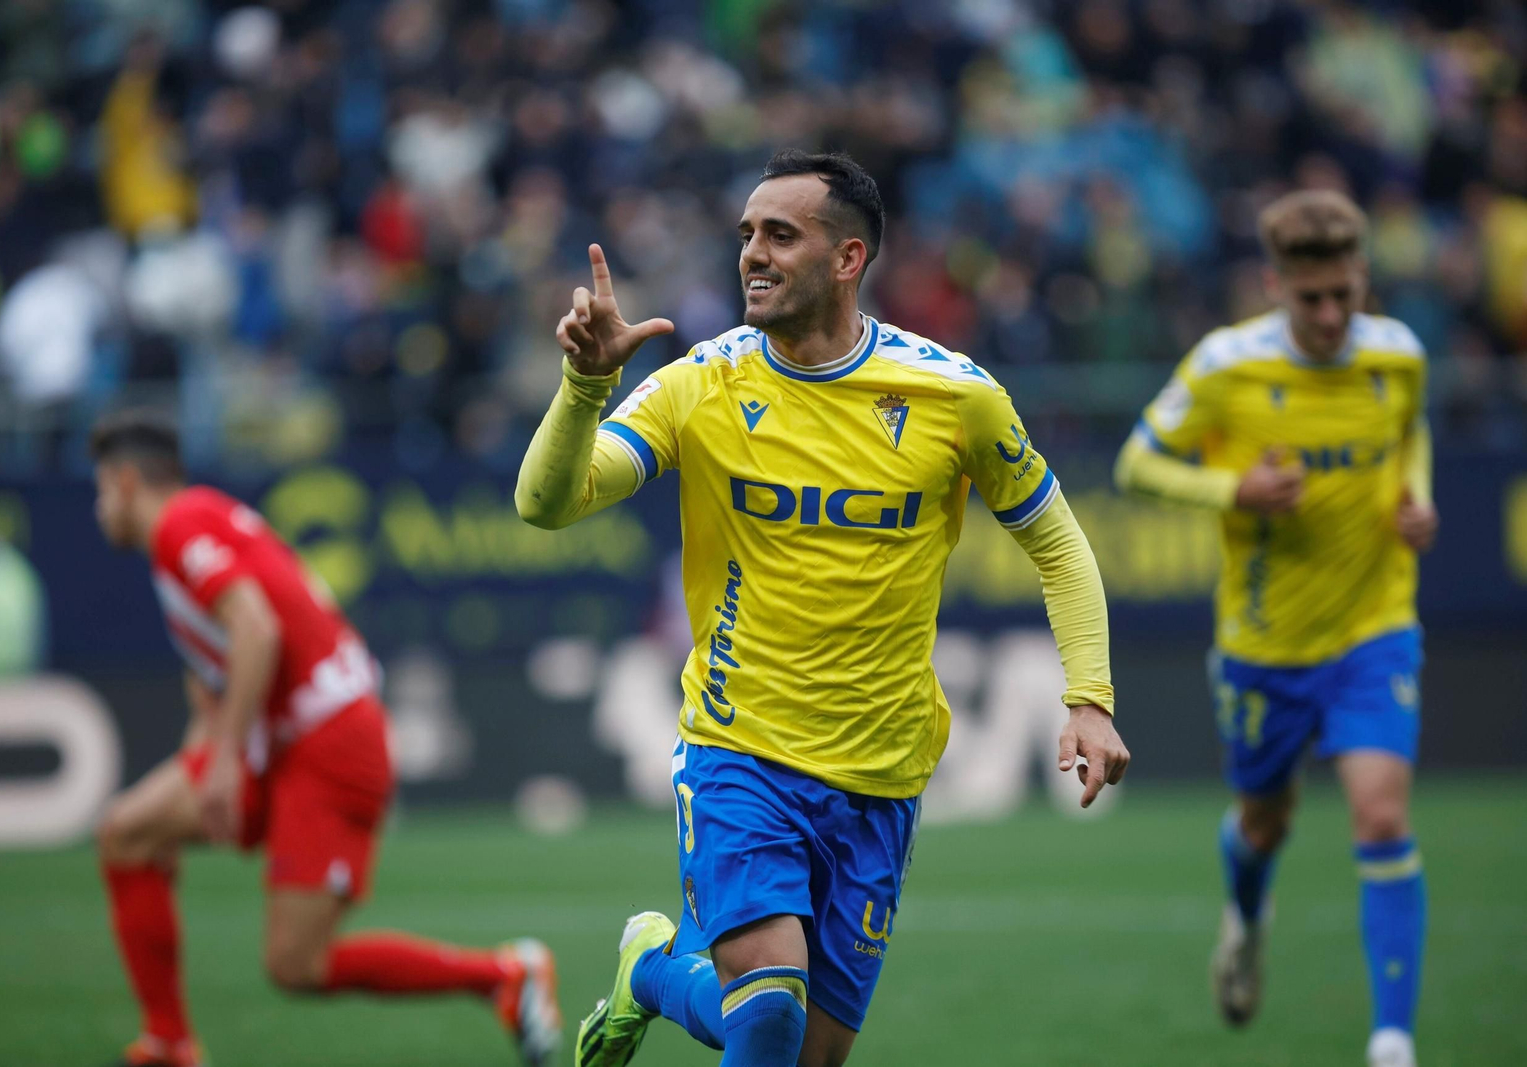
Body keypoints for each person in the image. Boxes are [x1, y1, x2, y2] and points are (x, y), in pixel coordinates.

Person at [515, 150, 1129, 1067]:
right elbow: (548, 502)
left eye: (780, 235)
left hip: (882, 771)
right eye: (747, 235)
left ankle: (652, 971)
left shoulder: (955, 396)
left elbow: (1059, 544)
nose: (753, 254)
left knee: (807, 1049)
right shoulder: (701, 382)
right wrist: (583, 387)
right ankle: (677, 973)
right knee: (768, 1008)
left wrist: (1090, 696)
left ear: (848, 258)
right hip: (739, 748)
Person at [88, 411, 560, 1067]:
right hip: (288, 742)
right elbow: (218, 678)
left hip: (328, 742)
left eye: (100, 489)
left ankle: (503, 975)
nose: (98, 508)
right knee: (129, 833)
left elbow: (257, 630)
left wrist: (220, 763)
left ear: (125, 480)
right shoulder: (198, 523)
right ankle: (169, 1043)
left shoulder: (179, 525)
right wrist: (206, 760)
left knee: (295, 964)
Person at [1114, 190, 1436, 1067]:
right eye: (1311, 298)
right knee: (1264, 822)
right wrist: (1235, 489)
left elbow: (1410, 435)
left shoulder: (1399, 355)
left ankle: (1392, 1040)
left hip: (1374, 625)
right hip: (1264, 643)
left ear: (1362, 277)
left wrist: (1416, 496)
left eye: (1344, 295)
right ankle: (1249, 921)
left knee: (1381, 815)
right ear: (1274, 286)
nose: (1330, 315)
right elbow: (1136, 464)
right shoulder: (1226, 366)